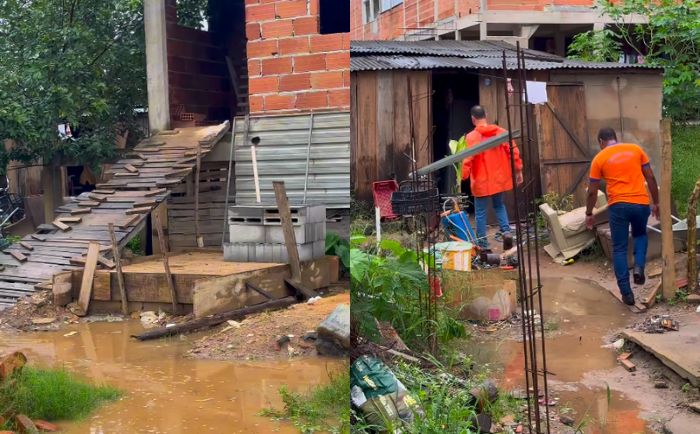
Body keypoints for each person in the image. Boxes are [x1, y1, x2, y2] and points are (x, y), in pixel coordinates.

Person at [586, 127, 660, 306]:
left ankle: (627, 294)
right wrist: (656, 203)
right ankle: (639, 267)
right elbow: (650, 177)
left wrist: (589, 213)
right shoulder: (636, 150)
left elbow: (592, 192)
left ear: (601, 142)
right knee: (640, 235)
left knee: (619, 248)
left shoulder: (599, 158)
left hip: (618, 206)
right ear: (615, 138)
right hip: (641, 203)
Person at [461, 105, 523, 251]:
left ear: (473, 119)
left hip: (481, 182)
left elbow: (467, 159)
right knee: (499, 206)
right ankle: (506, 232)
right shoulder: (501, 133)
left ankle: (482, 245)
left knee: (481, 213)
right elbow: (514, 152)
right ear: (486, 115)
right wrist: (518, 170)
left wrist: (463, 175)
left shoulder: (471, 137)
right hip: (498, 180)